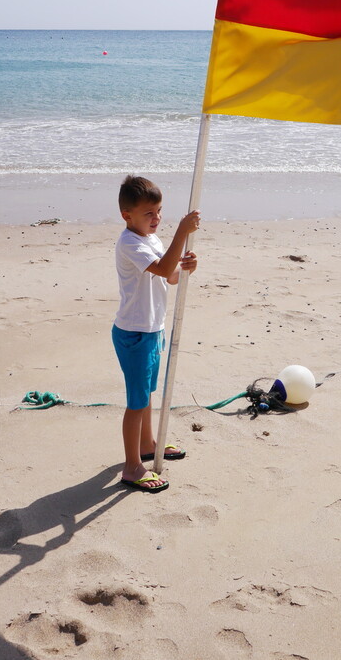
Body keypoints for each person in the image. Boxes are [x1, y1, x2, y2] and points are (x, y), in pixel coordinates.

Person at [112, 175, 200, 493]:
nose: (156, 218)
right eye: (149, 213)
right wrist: (182, 231)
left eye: (159, 211)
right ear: (128, 215)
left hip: (151, 329)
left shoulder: (152, 240)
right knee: (136, 402)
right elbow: (162, 269)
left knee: (147, 394)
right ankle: (132, 466)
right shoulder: (130, 243)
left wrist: (184, 266)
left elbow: (168, 276)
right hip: (133, 334)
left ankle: (148, 445)